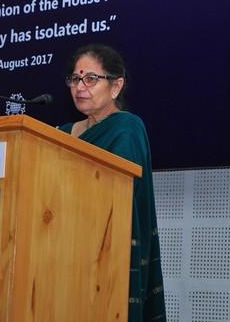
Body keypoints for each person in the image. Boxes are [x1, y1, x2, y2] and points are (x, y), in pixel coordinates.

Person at [58, 44, 166, 322]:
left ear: (116, 86)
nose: (80, 87)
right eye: (75, 79)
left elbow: (116, 194)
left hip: (104, 252)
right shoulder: (60, 134)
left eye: (91, 79)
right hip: (59, 249)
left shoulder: (127, 128)